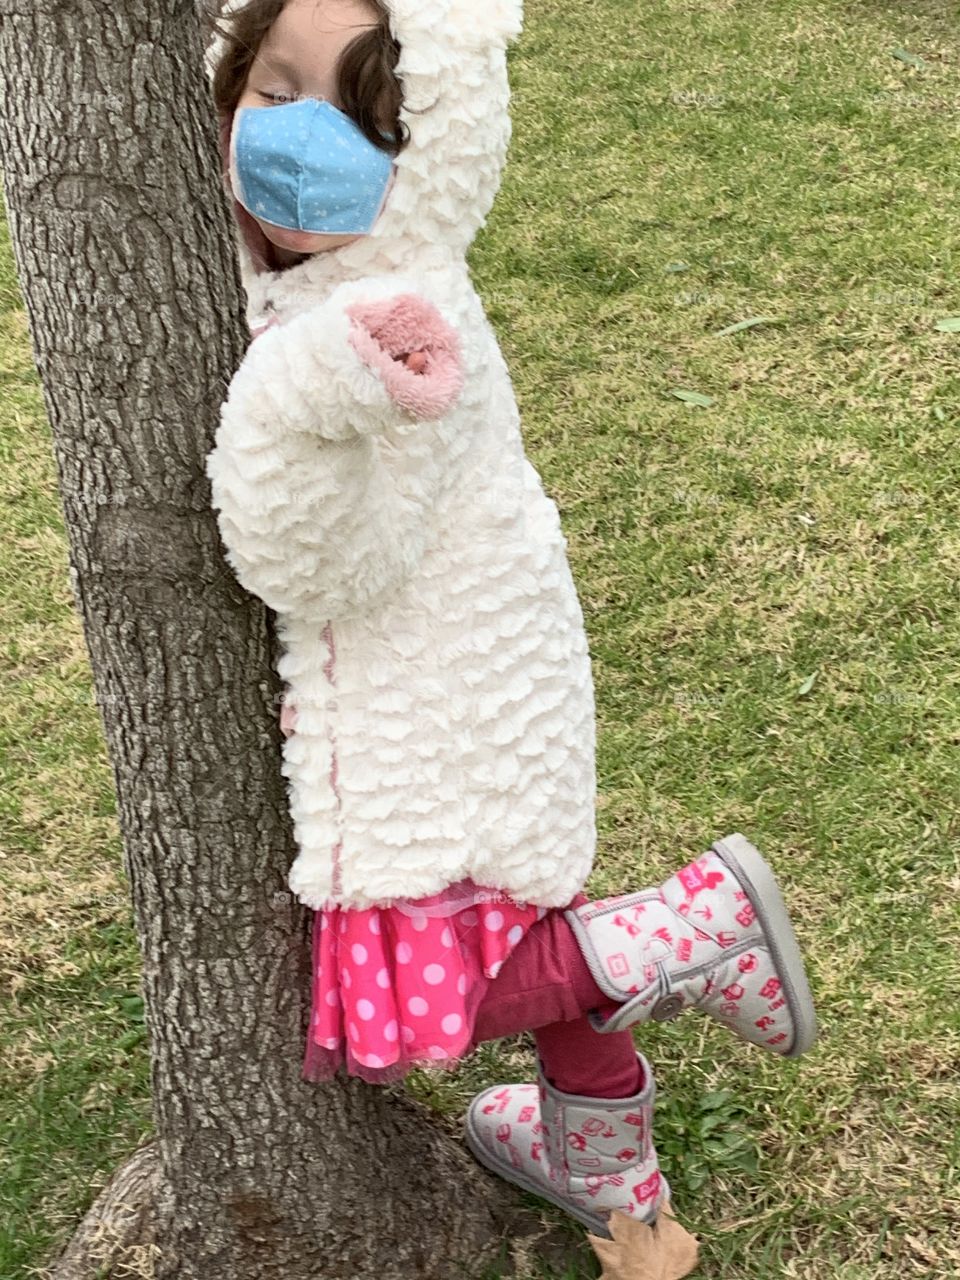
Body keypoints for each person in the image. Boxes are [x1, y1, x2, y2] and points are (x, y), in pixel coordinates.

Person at [202, 0, 817, 1239]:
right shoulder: (344, 281)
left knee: (436, 1003)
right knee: (532, 959)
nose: (298, 143)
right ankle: (608, 1176)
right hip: (492, 667)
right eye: (272, 92)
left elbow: (319, 565)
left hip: (441, 710)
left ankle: (695, 923)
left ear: (433, 154)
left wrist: (296, 401)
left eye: (365, 121)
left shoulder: (389, 329)